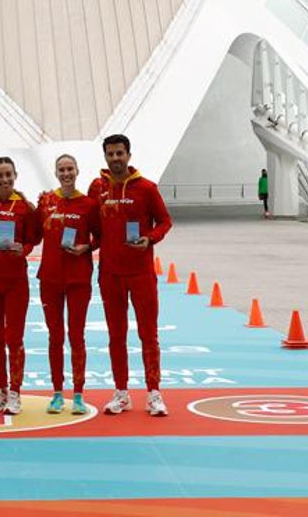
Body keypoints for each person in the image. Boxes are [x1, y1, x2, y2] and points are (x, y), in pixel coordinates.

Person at [88, 133, 172, 417]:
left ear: (129, 155)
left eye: (120, 153)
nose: (115, 159)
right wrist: (81, 245)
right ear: (105, 157)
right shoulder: (96, 188)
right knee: (116, 335)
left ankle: (154, 393)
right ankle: (121, 392)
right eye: (110, 154)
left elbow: (165, 221)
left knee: (149, 334)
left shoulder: (146, 188)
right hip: (110, 274)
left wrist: (150, 238)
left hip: (141, 273)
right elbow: (92, 229)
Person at [36, 153, 101, 415]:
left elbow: (100, 237)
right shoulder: (46, 201)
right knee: (55, 337)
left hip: (78, 279)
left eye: (70, 169)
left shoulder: (88, 204)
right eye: (61, 169)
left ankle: (78, 394)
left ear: (77, 171)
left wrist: (87, 247)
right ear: (56, 173)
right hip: (50, 278)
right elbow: (31, 231)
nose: (66, 174)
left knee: (76, 336)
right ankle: (56, 393)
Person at [0, 157, 38, 415]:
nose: (4, 179)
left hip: (15, 282)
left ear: (15, 175)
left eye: (8, 174)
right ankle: (0, 390)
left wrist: (21, 249)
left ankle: (15, 392)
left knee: (14, 338)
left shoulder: (25, 206)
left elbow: (34, 239)